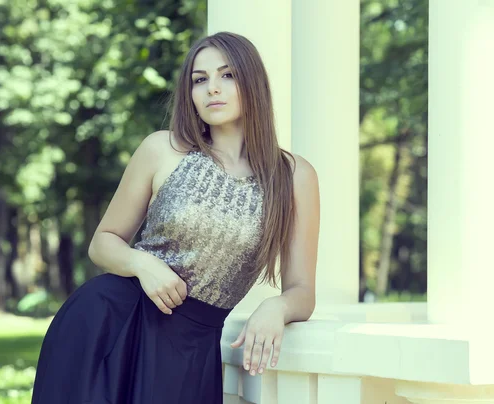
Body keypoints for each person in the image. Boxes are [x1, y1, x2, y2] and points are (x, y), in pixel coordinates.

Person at [31, 31, 320, 404]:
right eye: (200, 80)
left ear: (253, 82)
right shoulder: (162, 150)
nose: (212, 89)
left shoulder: (294, 176)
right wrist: (141, 263)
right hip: (109, 324)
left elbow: (303, 290)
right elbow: (103, 242)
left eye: (227, 75)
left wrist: (276, 307)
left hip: (190, 352)